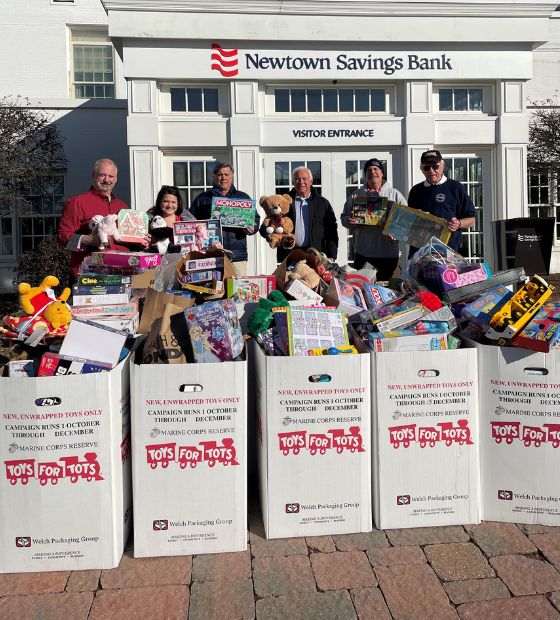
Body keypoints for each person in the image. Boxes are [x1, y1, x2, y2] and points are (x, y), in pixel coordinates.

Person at [57, 158, 149, 276]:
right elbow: (62, 238)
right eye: (102, 175)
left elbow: (127, 241)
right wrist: (89, 240)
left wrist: (142, 241)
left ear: (116, 179)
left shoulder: (122, 207)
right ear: (93, 175)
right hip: (89, 275)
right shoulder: (77, 202)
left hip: (122, 273)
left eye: (111, 176)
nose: (106, 180)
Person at [341, 158, 407, 281]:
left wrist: (395, 232)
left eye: (376, 169)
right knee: (362, 288)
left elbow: (406, 221)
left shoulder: (395, 194)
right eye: (369, 170)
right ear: (365, 175)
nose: (372, 172)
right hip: (363, 254)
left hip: (388, 255)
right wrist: (349, 221)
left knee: (386, 291)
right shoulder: (356, 195)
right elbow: (344, 218)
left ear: (382, 173)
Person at [189, 162, 260, 275]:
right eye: (220, 175)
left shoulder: (243, 197)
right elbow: (190, 219)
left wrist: (252, 227)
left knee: (237, 290)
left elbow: (255, 220)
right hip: (210, 254)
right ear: (215, 177)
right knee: (213, 290)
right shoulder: (203, 198)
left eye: (227, 174)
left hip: (236, 256)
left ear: (231, 176)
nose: (223, 178)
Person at [407, 149, 476, 257]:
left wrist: (458, 223)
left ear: (442, 166)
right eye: (426, 167)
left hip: (448, 250)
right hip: (420, 251)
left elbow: (471, 220)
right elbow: (409, 221)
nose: (431, 171)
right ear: (422, 170)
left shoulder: (455, 187)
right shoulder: (416, 191)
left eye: (435, 166)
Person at [274, 166, 338, 263]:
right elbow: (268, 224)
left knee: (313, 279)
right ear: (293, 182)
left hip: (316, 255)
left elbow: (331, 230)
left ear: (311, 181)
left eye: (304, 179)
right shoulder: (283, 202)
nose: (301, 182)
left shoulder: (322, 203)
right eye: (297, 179)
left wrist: (331, 255)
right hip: (290, 254)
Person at [146, 185, 194, 253]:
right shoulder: (150, 221)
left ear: (178, 204)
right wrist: (147, 242)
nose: (169, 205)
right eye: (166, 201)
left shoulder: (184, 220)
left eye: (173, 202)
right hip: (157, 262)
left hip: (181, 262)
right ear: (159, 202)